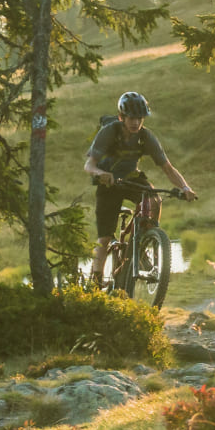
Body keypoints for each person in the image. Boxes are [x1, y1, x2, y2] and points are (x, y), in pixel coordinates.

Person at [82, 91, 197, 287]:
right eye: (131, 118)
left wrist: (185, 187)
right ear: (121, 117)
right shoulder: (109, 132)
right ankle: (95, 281)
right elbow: (88, 165)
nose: (135, 123)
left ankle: (143, 241)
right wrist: (101, 174)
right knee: (104, 236)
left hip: (131, 179)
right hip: (108, 184)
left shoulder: (145, 137)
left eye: (139, 118)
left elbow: (167, 168)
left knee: (154, 199)